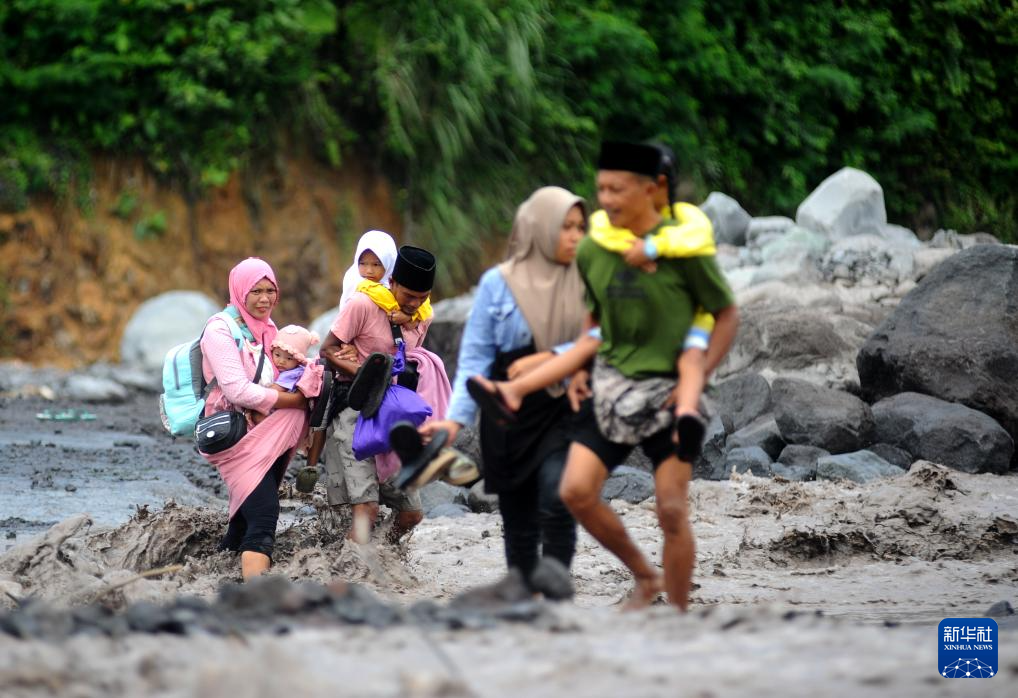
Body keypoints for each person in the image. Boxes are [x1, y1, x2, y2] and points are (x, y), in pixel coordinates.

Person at [559, 142, 739, 611]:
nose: (607, 199)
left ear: (650, 190)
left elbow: (726, 314)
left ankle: (679, 617)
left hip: (668, 394)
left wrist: (697, 375)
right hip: (613, 386)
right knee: (576, 491)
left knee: (672, 510)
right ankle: (645, 576)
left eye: (617, 189)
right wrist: (579, 366)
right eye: (601, 188)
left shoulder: (685, 249)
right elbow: (593, 314)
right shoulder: (596, 250)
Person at [467, 144, 719, 456]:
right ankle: (512, 391)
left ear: (659, 186)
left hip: (686, 318)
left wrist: (651, 249)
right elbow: (601, 234)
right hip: (631, 316)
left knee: (691, 356)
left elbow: (697, 236)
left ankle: (686, 416)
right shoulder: (610, 227)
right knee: (590, 341)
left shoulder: (688, 220)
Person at [420, 186, 587, 599]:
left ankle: (555, 592)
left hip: (563, 404)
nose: (575, 237)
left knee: (558, 494)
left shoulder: (587, 279)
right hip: (505, 412)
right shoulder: (497, 284)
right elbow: (474, 361)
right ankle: (525, 598)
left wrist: (548, 356)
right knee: (518, 514)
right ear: (538, 229)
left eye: (581, 227)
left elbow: (602, 340)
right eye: (565, 227)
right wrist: (455, 420)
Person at [197, 258, 310, 581]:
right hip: (231, 436)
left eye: (270, 291)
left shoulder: (270, 330)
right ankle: (257, 606)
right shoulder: (219, 330)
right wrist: (292, 400)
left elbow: (285, 373)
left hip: (266, 431)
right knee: (264, 514)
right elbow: (237, 391)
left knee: (244, 522)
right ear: (239, 292)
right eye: (256, 291)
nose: (264, 299)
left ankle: (208, 580)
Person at [320, 244, 440, 543]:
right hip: (355, 410)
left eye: (421, 297)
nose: (414, 303)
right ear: (392, 282)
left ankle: (380, 557)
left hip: (393, 415)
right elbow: (327, 349)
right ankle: (351, 574)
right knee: (367, 510)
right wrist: (363, 372)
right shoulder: (362, 304)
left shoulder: (423, 316)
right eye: (408, 295)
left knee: (411, 514)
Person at [340, 229, 433, 325]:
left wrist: (410, 316)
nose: (369, 271)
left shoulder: (396, 281)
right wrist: (410, 316)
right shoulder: (356, 281)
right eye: (362, 263)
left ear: (389, 262)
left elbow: (424, 303)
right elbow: (385, 299)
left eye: (376, 264)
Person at [248, 324, 323, 426]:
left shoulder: (292, 373)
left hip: (284, 411)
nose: (281, 361)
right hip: (284, 409)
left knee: (257, 416)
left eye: (289, 358)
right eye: (277, 355)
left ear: (298, 360)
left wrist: (251, 400)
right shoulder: (289, 369)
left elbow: (274, 390)